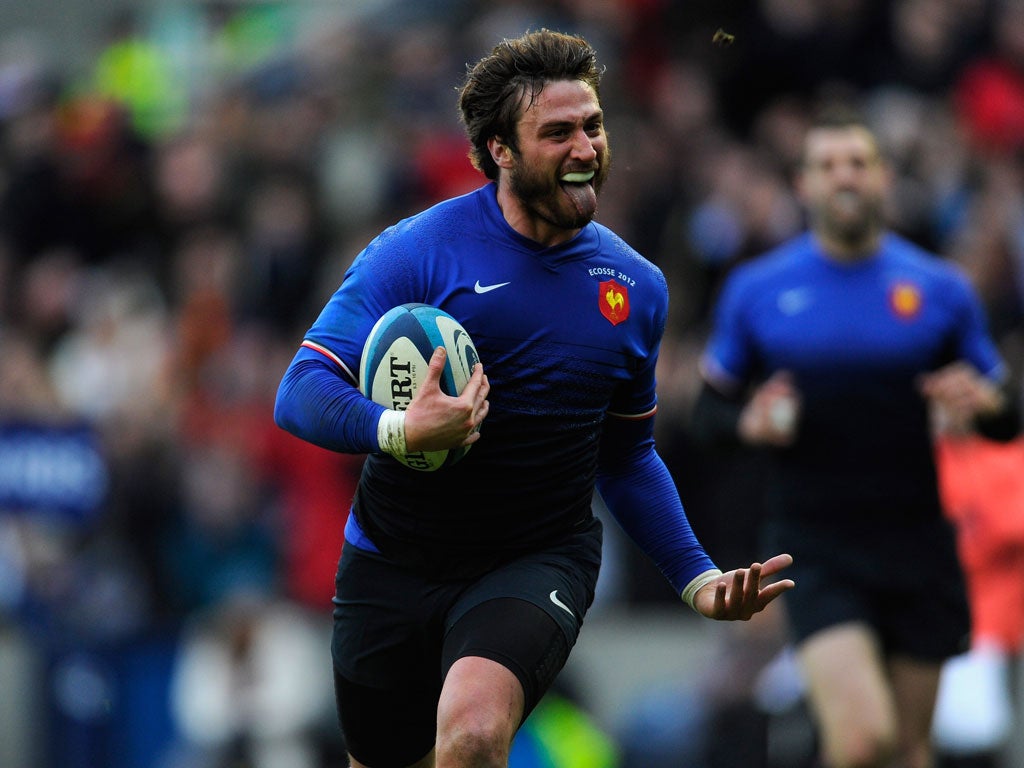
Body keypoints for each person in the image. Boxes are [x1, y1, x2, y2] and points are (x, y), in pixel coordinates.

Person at [274, 29, 794, 768]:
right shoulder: (418, 251)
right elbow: (300, 389)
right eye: (558, 133)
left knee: (475, 733)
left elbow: (627, 456)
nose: (586, 148)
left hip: (534, 558)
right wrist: (398, 428)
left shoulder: (635, 288)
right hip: (393, 559)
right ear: (499, 152)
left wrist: (697, 575)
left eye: (593, 126)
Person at [691, 106, 1020, 768]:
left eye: (858, 162)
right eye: (828, 164)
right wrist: (748, 422)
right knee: (862, 739)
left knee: (909, 752)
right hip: (816, 546)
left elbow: (1005, 413)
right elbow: (707, 416)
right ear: (803, 183)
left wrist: (981, 405)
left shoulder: (939, 290)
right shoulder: (758, 290)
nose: (845, 176)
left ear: (883, 178)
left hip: (918, 541)